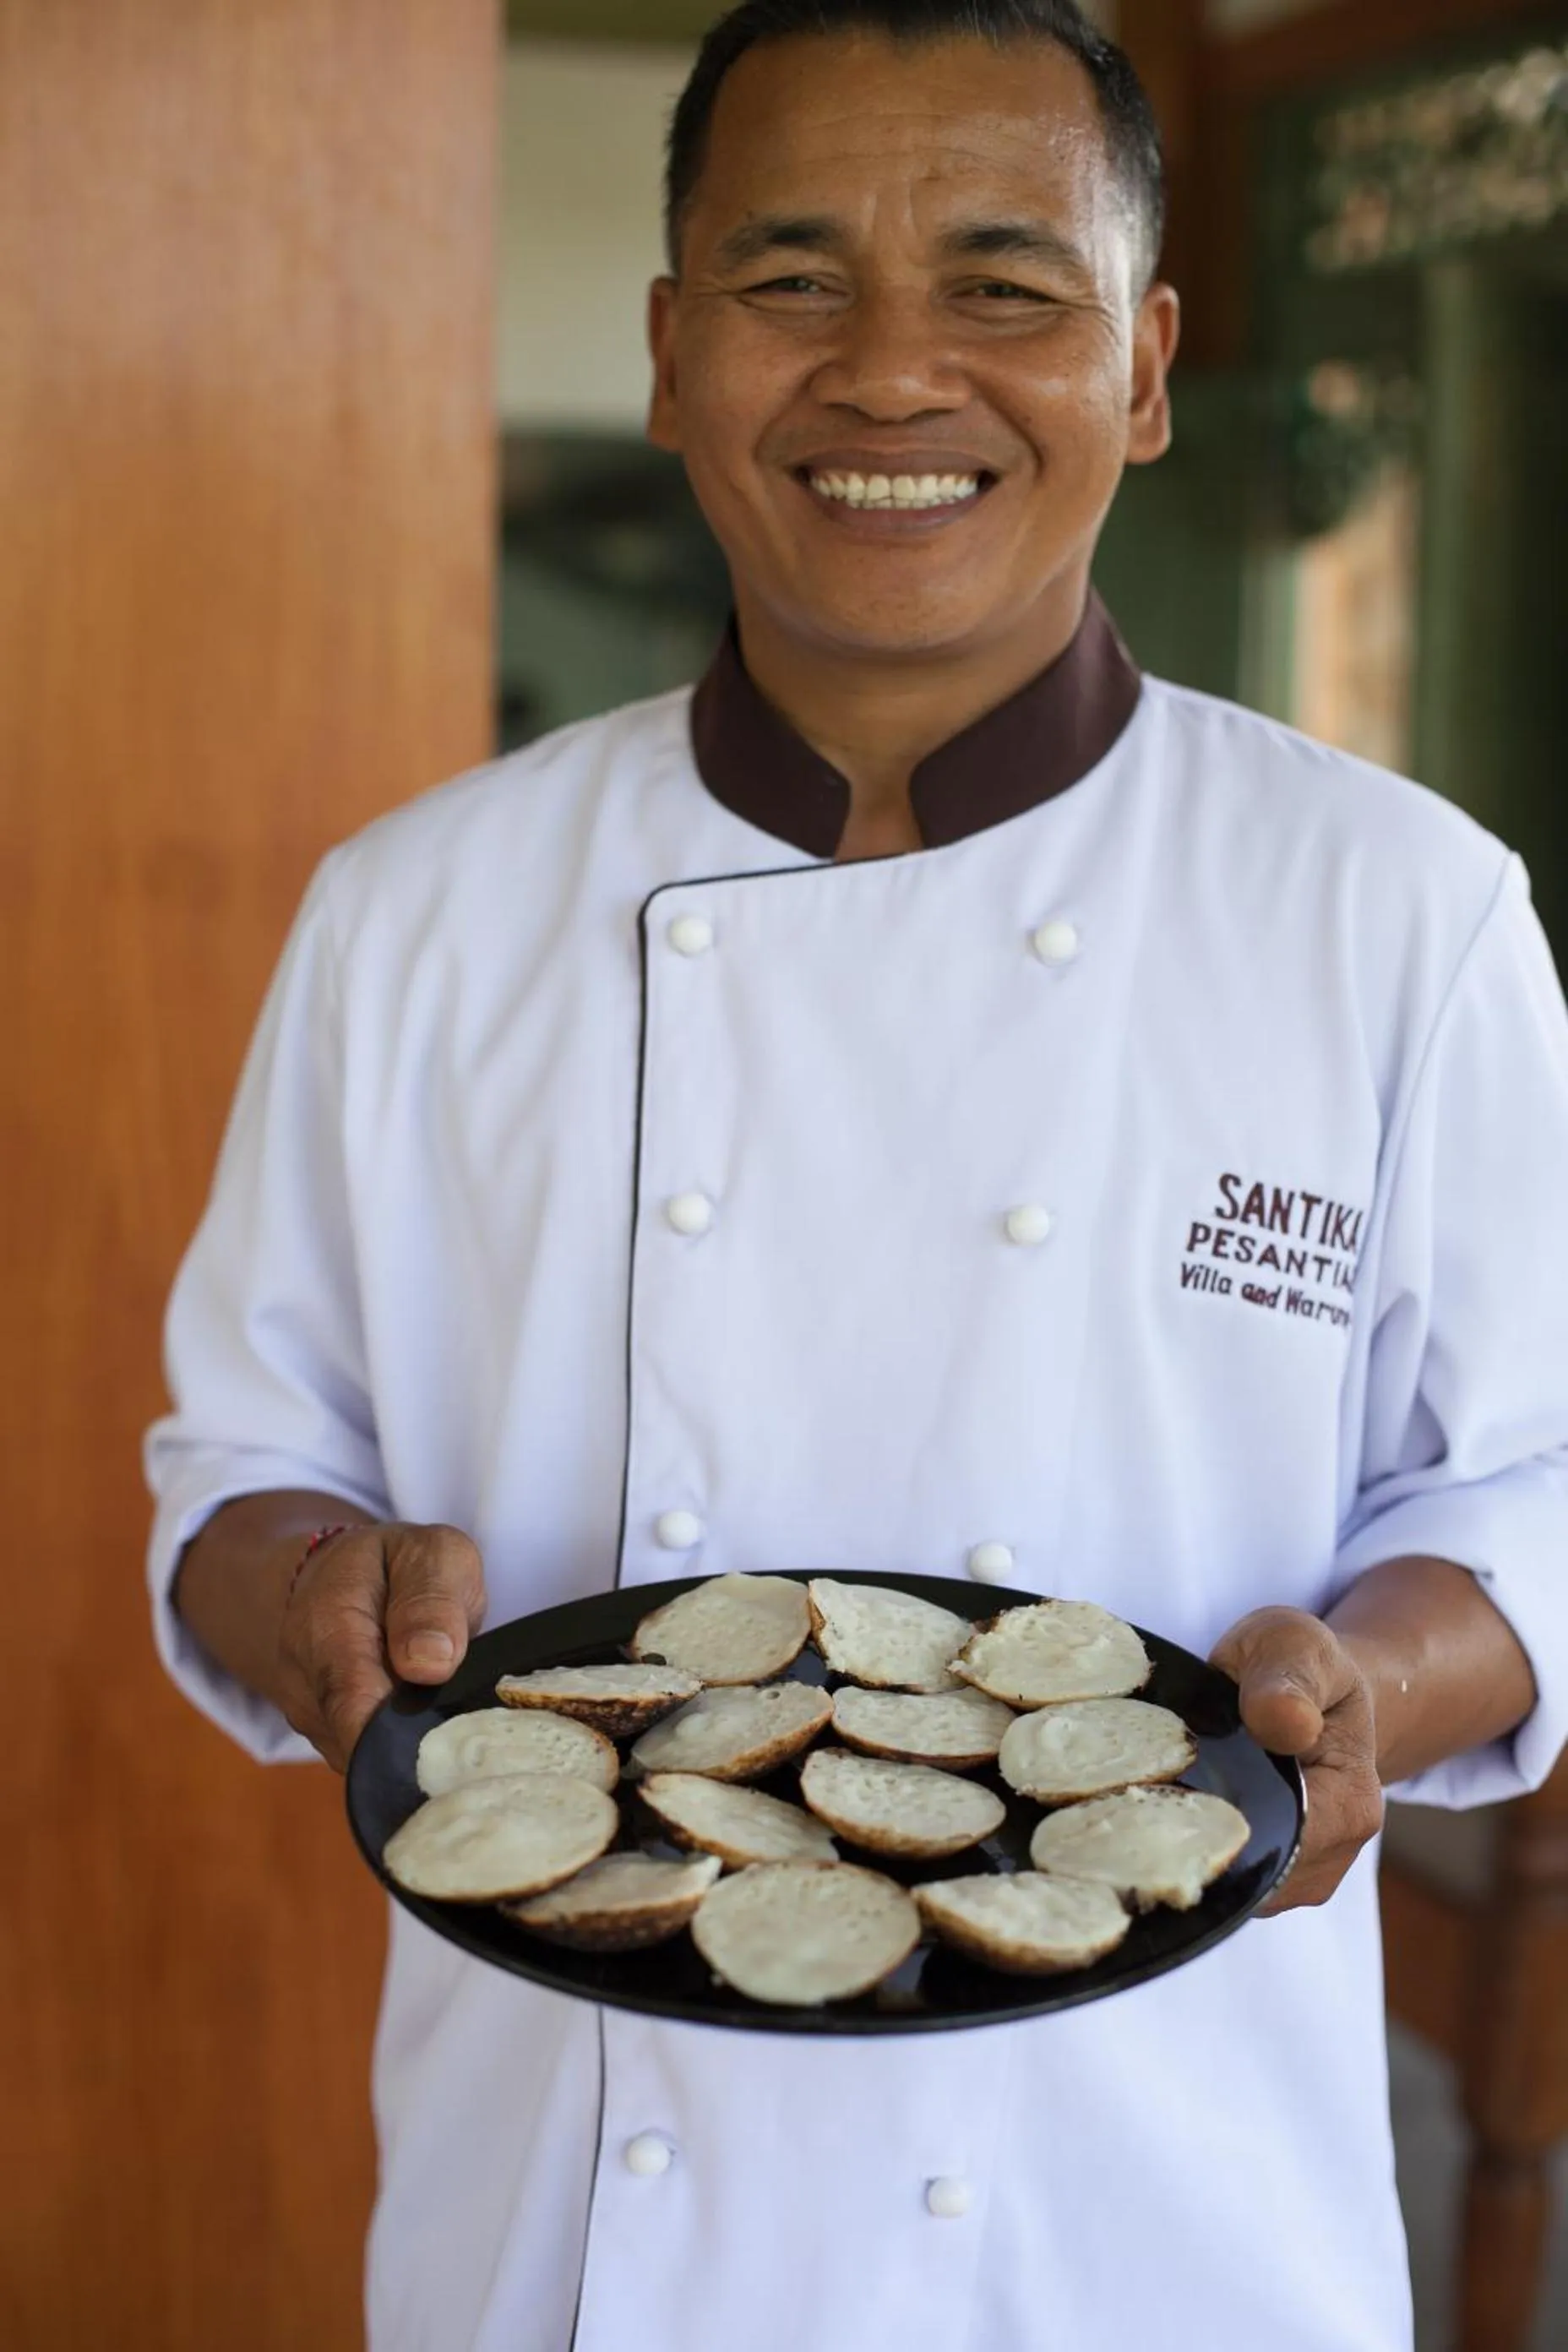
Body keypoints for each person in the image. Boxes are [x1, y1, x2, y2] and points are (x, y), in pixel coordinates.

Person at [146, 4, 1568, 2348]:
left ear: (1148, 364)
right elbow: (240, 1469)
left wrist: (1369, 1690)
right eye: (793, 281)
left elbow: (1530, 1486)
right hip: (575, 2231)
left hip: (1155, 2230)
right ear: (674, 349)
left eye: (1008, 285)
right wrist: (305, 1596)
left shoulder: (1399, 911)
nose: (894, 373)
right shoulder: (415, 910)